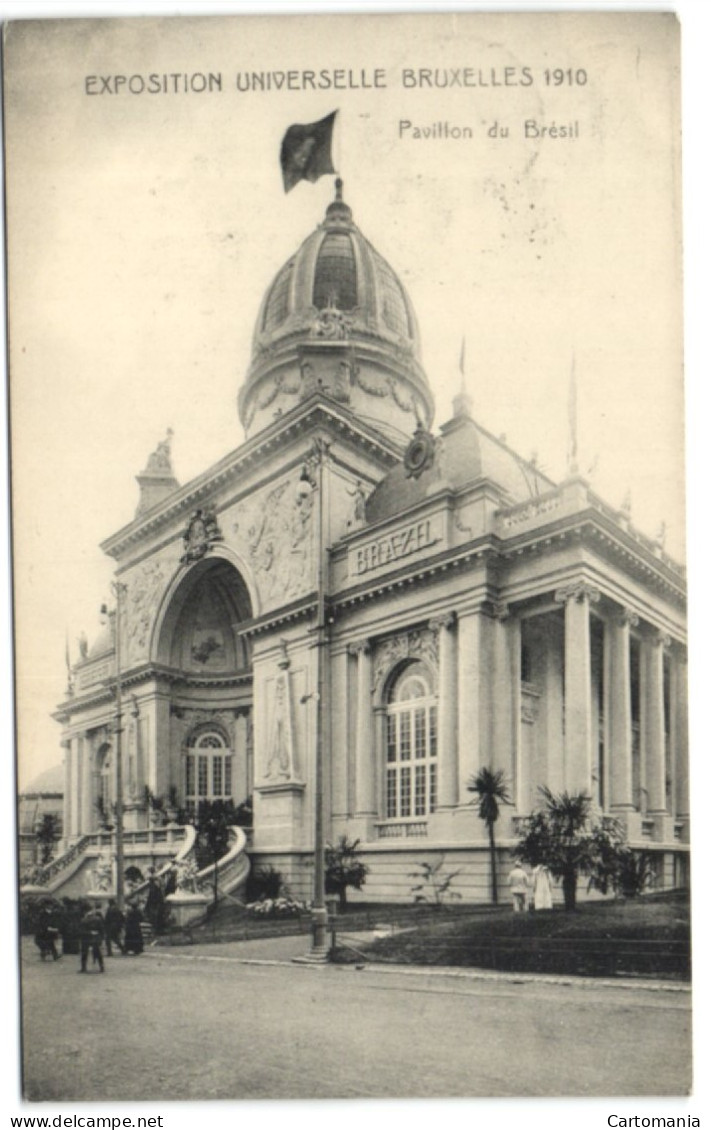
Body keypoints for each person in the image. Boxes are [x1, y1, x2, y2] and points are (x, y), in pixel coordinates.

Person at [79, 907, 105, 973]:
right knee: (98, 952)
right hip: (96, 937)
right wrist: (101, 938)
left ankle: (83, 967)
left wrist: (89, 932)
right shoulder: (98, 919)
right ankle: (101, 966)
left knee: (84, 952)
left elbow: (81, 931)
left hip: (86, 938)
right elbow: (102, 930)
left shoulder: (83, 920)